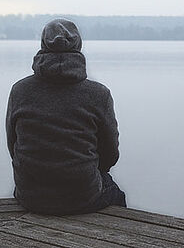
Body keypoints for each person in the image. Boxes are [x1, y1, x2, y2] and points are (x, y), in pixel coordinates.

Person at [5, 18, 126, 215]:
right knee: (116, 195)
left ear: (43, 45)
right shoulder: (98, 94)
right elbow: (110, 154)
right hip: (83, 196)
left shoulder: (19, 91)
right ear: (78, 45)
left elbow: (13, 145)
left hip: (30, 195)